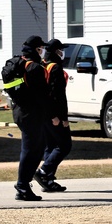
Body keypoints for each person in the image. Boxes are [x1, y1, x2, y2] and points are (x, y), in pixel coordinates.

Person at [12, 35, 52, 201]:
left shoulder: (20, 64)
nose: (43, 51)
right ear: (36, 49)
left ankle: (24, 184)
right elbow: (42, 94)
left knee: (34, 149)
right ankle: (22, 185)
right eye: (41, 48)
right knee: (31, 151)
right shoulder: (34, 68)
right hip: (32, 114)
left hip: (21, 111)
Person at [34, 38, 71, 193]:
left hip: (42, 113)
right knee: (64, 145)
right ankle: (43, 172)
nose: (63, 53)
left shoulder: (43, 65)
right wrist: (62, 117)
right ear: (56, 51)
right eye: (61, 50)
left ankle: (48, 180)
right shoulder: (55, 68)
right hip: (53, 114)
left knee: (50, 145)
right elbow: (57, 95)